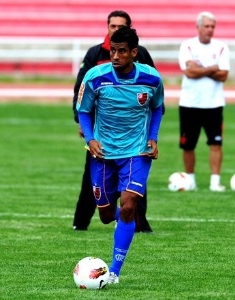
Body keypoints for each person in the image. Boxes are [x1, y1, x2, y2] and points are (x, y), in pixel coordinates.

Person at [76, 26, 164, 284]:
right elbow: (83, 111)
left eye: (122, 51)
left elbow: (157, 108)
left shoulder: (151, 79)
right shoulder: (95, 77)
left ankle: (114, 271)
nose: (115, 56)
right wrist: (90, 138)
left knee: (128, 206)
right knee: (105, 215)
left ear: (134, 53)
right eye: (113, 50)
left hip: (137, 152)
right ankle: (124, 223)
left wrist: (153, 137)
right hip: (103, 154)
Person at [71, 10, 154, 233]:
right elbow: (81, 90)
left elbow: (154, 95)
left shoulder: (142, 56)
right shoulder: (95, 55)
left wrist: (153, 134)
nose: (115, 30)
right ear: (107, 27)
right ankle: (81, 221)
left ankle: (138, 221)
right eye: (112, 26)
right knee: (92, 183)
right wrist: (82, 124)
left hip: (135, 138)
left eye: (120, 26)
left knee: (133, 192)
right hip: (101, 133)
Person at [177, 11, 230, 192]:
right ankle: (190, 180)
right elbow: (189, 73)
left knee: (216, 143)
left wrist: (200, 68)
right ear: (198, 27)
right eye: (206, 26)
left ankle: (215, 182)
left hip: (214, 103)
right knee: (188, 144)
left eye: (212, 26)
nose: (210, 30)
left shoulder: (221, 46)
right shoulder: (187, 45)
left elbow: (223, 75)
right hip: (190, 103)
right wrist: (213, 68)